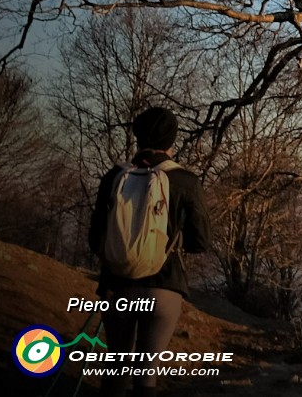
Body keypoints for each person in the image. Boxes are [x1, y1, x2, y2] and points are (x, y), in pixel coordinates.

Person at [88, 106, 211, 395]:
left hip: (117, 286)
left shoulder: (114, 178)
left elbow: (95, 238)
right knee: (146, 376)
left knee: (116, 370)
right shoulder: (186, 181)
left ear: (138, 134)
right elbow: (201, 241)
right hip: (164, 288)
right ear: (171, 140)